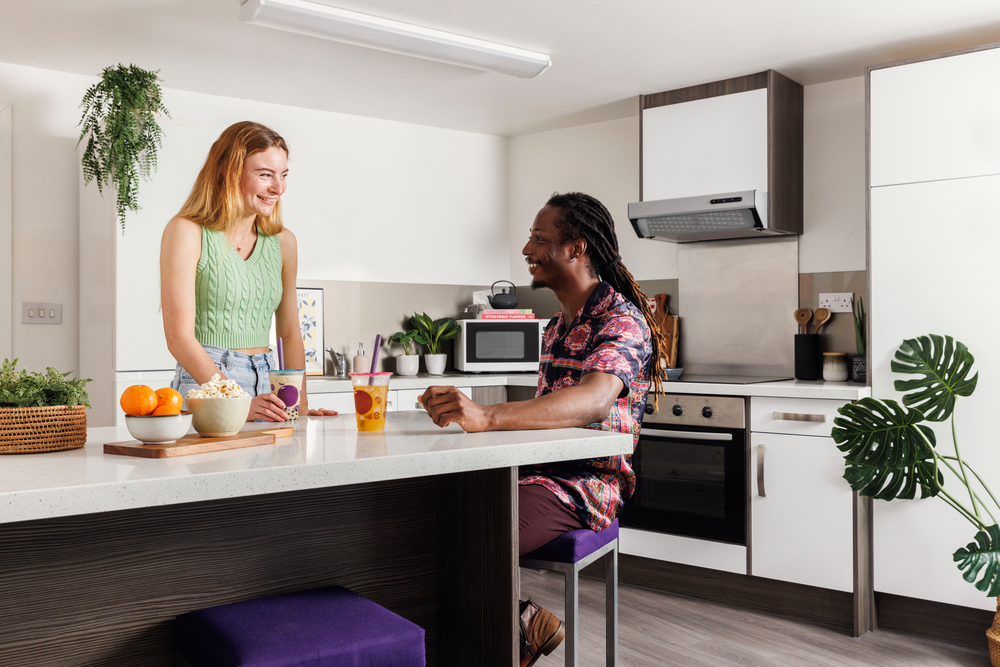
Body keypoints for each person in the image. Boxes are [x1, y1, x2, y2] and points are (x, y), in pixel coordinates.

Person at [420, 192, 666, 667]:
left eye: (539, 238)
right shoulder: (555, 327)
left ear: (576, 249)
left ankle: (503, 635)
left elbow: (592, 401)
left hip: (585, 483)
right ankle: (524, 622)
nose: (527, 249)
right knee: (428, 511)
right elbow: (546, 412)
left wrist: (488, 417)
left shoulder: (623, 320)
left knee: (473, 534)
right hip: (534, 470)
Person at [160, 121, 336, 420]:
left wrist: (302, 408)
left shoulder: (283, 242)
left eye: (283, 175)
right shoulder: (187, 232)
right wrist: (235, 400)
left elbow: (291, 333)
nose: (278, 187)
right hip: (208, 384)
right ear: (229, 172)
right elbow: (179, 338)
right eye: (265, 175)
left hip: (271, 384)